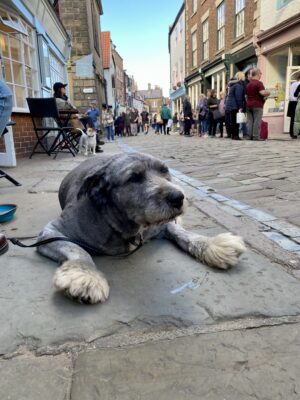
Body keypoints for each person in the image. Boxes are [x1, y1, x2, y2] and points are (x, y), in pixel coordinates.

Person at [53, 82, 104, 153]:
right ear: (59, 89)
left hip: (71, 120)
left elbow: (73, 108)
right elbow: (72, 108)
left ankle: (95, 141)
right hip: (68, 123)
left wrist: (75, 111)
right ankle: (95, 143)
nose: (65, 89)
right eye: (63, 88)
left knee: (88, 119)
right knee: (87, 121)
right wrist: (74, 111)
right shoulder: (57, 100)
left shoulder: (63, 99)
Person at [246, 68, 270, 141]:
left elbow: (246, 96)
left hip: (249, 105)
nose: (261, 75)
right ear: (257, 74)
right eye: (260, 74)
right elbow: (262, 93)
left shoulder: (248, 84)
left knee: (250, 121)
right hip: (257, 105)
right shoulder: (259, 83)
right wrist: (269, 92)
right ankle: (256, 136)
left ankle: (249, 136)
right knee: (257, 121)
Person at [225, 72, 246, 140]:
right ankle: (235, 135)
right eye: (243, 77)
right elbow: (238, 97)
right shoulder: (238, 85)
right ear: (240, 77)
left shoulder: (233, 85)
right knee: (235, 121)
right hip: (234, 105)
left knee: (233, 121)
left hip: (230, 105)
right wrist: (240, 106)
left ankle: (233, 135)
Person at [287, 72, 300, 139]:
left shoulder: (292, 84)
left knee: (293, 118)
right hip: (297, 102)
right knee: (297, 118)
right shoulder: (299, 84)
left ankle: (292, 133)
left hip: (291, 102)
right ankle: (297, 132)